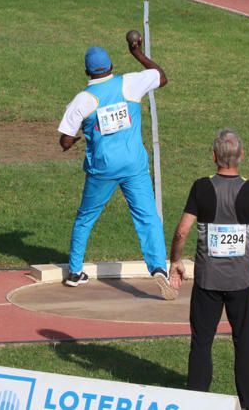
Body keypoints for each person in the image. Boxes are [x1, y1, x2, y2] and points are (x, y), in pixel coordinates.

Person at [57, 37, 175, 300]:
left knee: (85, 218)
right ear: (111, 65)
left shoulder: (83, 100)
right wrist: (137, 52)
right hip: (134, 165)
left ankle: (75, 272)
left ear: (87, 71)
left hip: (102, 169)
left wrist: (75, 140)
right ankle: (158, 268)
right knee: (148, 218)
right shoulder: (130, 83)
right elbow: (161, 77)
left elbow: (64, 140)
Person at [168, 129, 249, 410]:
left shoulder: (201, 188)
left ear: (214, 156)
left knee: (201, 343)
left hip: (207, 283)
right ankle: (247, 404)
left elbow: (182, 231)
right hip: (242, 284)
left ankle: (195, 402)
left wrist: (175, 262)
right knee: (244, 344)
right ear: (241, 156)